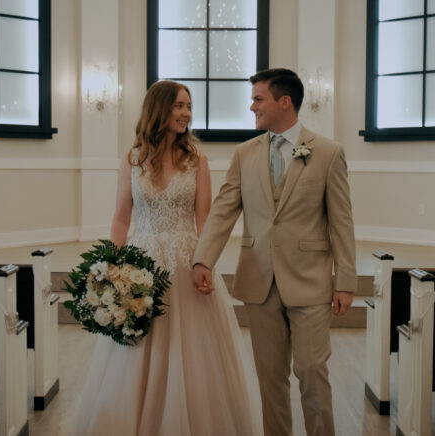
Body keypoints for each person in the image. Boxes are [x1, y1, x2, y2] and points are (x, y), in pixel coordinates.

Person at [70, 80, 262, 436]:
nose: (186, 113)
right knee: (140, 346)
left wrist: (205, 264)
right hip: (141, 261)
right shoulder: (132, 159)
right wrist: (112, 264)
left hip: (186, 261)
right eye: (178, 105)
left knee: (190, 351)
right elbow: (121, 217)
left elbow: (205, 220)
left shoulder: (197, 161)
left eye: (188, 106)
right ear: (159, 109)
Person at [191, 68, 357, 436]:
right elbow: (223, 210)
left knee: (312, 370)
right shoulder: (244, 153)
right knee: (271, 377)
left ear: (284, 101)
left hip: (311, 280)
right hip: (259, 279)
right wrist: (204, 258)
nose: (251, 107)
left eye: (258, 99)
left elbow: (342, 222)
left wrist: (345, 280)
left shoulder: (329, 153)